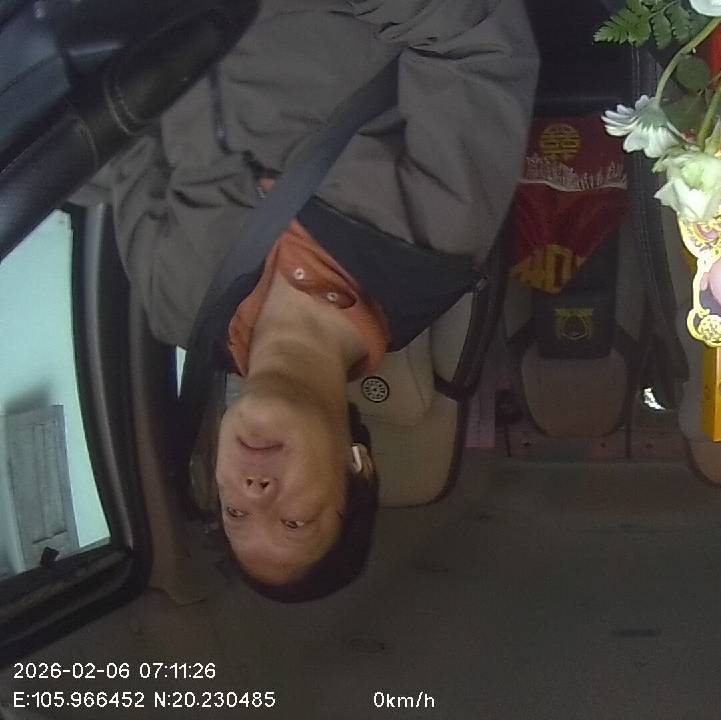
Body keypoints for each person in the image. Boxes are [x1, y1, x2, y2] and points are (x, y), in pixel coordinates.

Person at [92, 0, 538, 601]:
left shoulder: (176, 308)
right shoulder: (432, 243)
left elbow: (120, 145)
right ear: (358, 467)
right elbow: (474, 39)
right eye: (295, 521)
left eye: (235, 512)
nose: (255, 492)